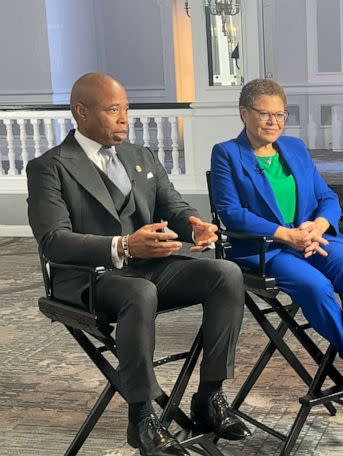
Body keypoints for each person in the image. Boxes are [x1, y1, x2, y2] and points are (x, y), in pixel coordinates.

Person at [26, 73, 250, 456]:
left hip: (148, 269)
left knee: (226, 273)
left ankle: (209, 397)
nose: (124, 119)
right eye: (113, 110)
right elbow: (53, 242)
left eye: (126, 109)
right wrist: (124, 245)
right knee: (139, 292)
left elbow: (173, 206)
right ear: (81, 111)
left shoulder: (140, 156)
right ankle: (142, 416)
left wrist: (193, 225)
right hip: (89, 278)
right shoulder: (50, 167)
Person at [210, 79, 343, 415]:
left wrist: (318, 225)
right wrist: (286, 234)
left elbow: (327, 198)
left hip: (311, 236)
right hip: (268, 248)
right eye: (265, 114)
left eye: (280, 115)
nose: (274, 123)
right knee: (316, 285)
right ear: (243, 113)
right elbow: (232, 214)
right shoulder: (227, 154)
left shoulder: (294, 147)